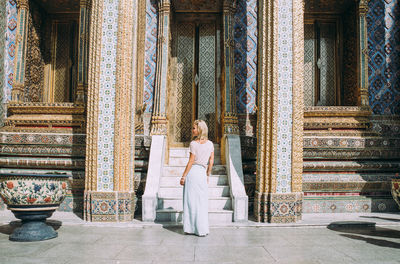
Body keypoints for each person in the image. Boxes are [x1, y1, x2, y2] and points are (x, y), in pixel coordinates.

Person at [180, 119, 214, 237]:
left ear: (199, 129)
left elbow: (191, 161)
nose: (192, 130)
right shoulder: (210, 144)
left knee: (190, 201)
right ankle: (202, 229)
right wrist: (207, 175)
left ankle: (190, 228)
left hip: (193, 172)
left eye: (194, 128)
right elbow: (211, 162)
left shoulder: (193, 144)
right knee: (201, 202)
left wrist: (183, 176)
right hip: (202, 174)